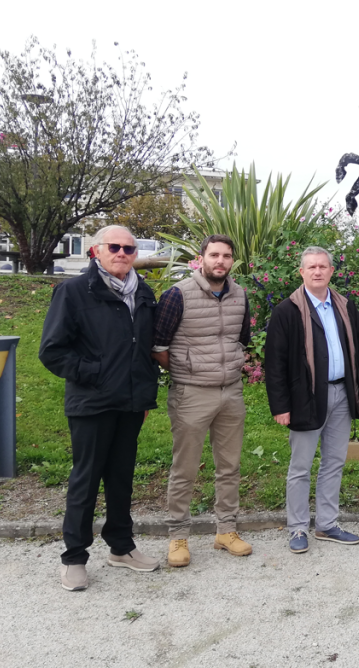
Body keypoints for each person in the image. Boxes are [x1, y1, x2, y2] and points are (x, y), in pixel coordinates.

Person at [39, 225, 161, 592]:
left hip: (130, 402)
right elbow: (52, 350)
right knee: (86, 479)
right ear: (96, 251)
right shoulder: (75, 291)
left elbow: (144, 347)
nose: (122, 253)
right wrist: (96, 374)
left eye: (129, 248)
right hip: (92, 403)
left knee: (122, 477)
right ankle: (74, 557)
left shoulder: (143, 293)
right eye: (115, 247)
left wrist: (142, 388)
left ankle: (121, 547)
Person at [152, 234, 253, 567]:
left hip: (231, 392)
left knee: (230, 467)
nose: (220, 261)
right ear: (201, 259)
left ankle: (226, 530)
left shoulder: (240, 295)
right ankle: (178, 536)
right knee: (185, 469)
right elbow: (158, 347)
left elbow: (242, 341)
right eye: (214, 255)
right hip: (191, 393)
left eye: (226, 256)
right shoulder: (177, 295)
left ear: (232, 261)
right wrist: (187, 371)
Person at [264, 246, 359, 554]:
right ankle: (298, 528)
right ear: (301, 272)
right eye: (310, 267)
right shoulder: (288, 310)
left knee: (334, 462)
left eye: (322, 266)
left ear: (331, 271)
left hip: (342, 393)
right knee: (301, 466)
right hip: (306, 397)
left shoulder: (345, 307)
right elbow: (275, 363)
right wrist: (281, 405)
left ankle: (327, 524)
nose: (317, 271)